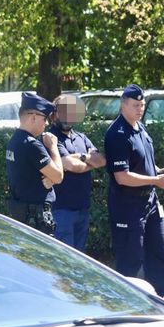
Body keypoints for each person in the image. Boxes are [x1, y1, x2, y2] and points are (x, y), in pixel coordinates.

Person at [104, 84, 164, 296]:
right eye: (135, 105)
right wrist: (155, 180)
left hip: (150, 203)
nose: (140, 109)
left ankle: (158, 303)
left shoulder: (140, 127)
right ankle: (126, 307)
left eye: (142, 105)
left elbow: (141, 161)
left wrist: (157, 170)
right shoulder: (117, 134)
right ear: (123, 105)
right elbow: (122, 177)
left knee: (158, 256)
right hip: (128, 207)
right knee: (130, 261)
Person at [50, 94, 105, 251]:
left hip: (82, 209)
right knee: (64, 259)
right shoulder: (51, 138)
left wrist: (80, 157)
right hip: (62, 210)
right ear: (55, 114)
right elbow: (69, 164)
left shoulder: (81, 137)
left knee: (79, 257)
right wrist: (89, 161)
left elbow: (101, 160)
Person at [5, 92, 63, 233]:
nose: (47, 123)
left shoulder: (15, 140)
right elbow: (58, 176)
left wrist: (49, 179)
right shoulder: (32, 145)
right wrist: (53, 146)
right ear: (33, 117)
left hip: (22, 213)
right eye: (45, 119)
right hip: (35, 219)